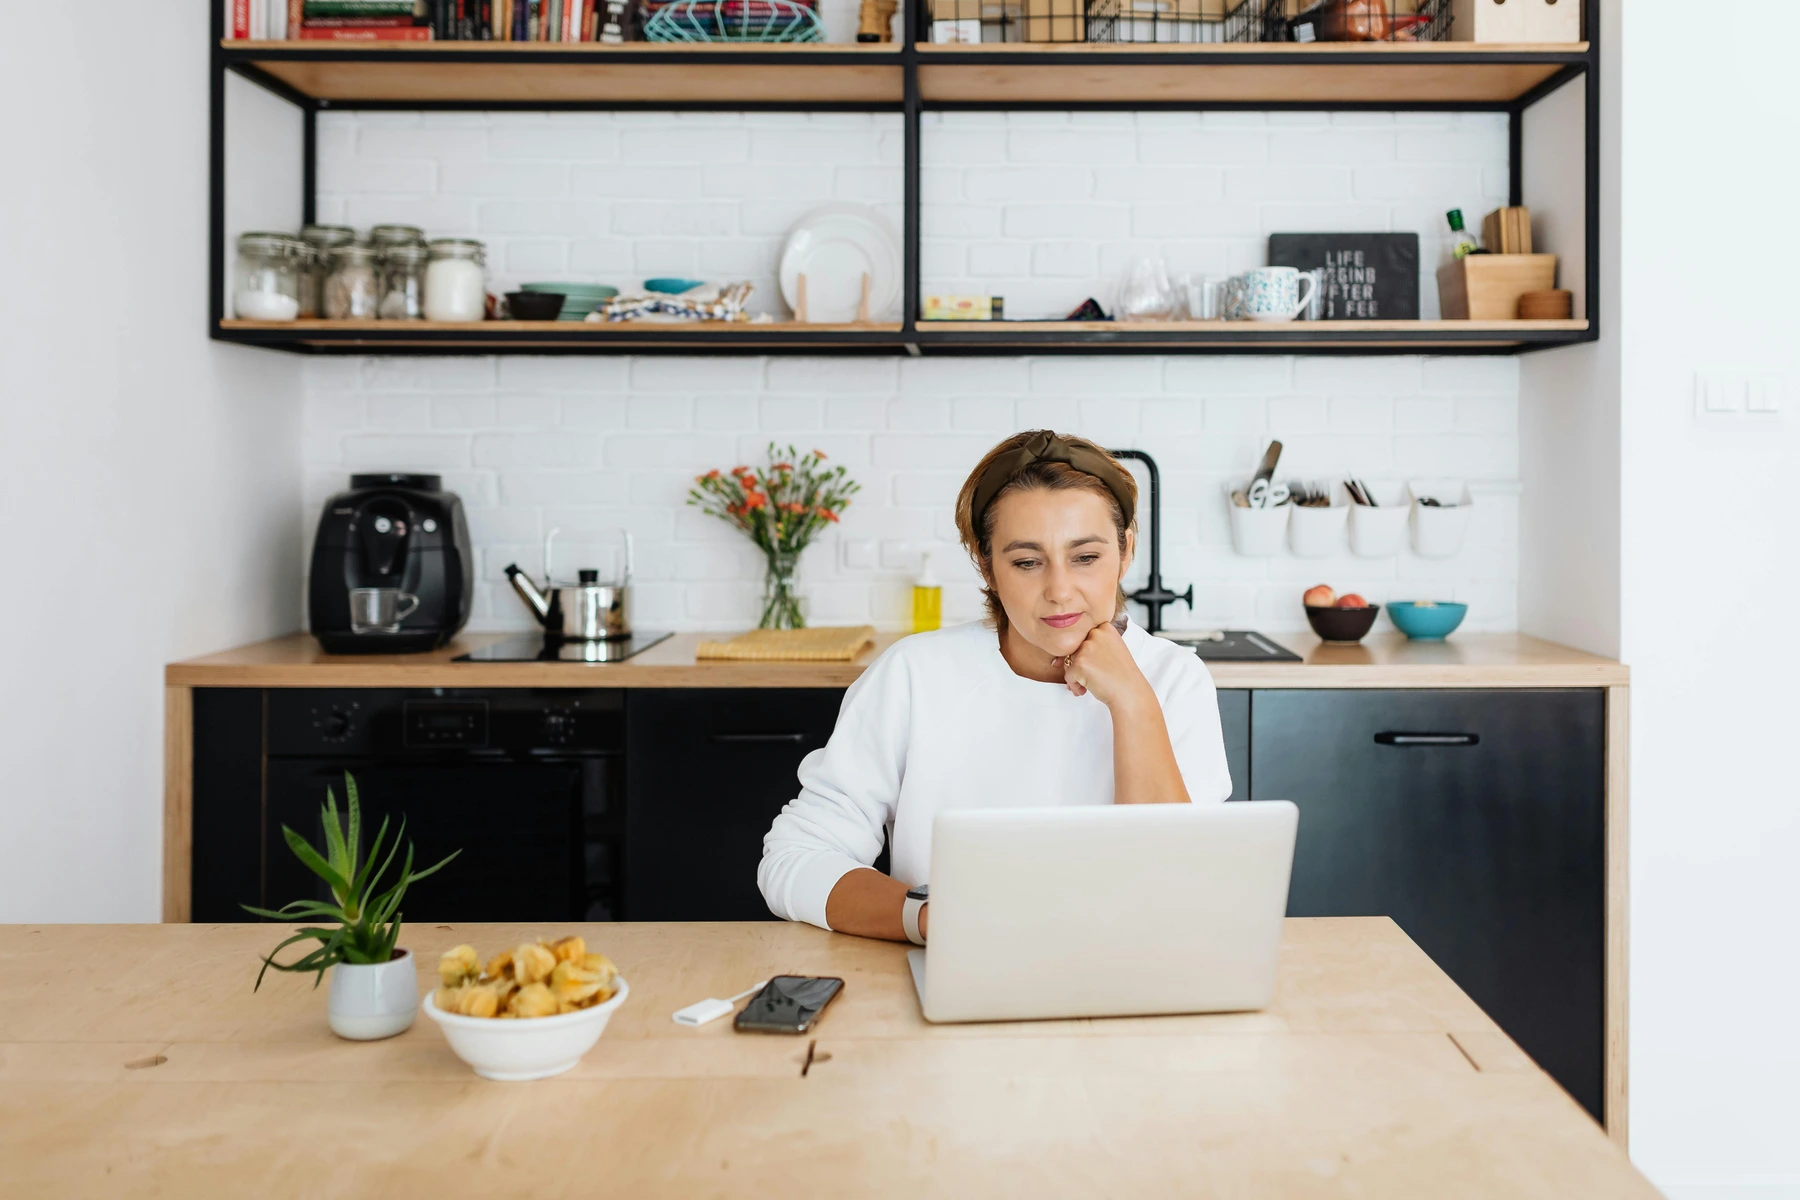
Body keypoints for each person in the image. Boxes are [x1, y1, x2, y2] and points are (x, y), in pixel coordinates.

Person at [757, 430, 1233, 943]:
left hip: (1133, 971)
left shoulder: (1175, 680)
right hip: (952, 969)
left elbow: (1178, 896)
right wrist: (933, 920)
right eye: (1027, 562)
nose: (1059, 591)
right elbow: (796, 858)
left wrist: (1133, 702)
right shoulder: (913, 675)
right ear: (985, 564)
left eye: (1085, 557)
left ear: (1126, 549)